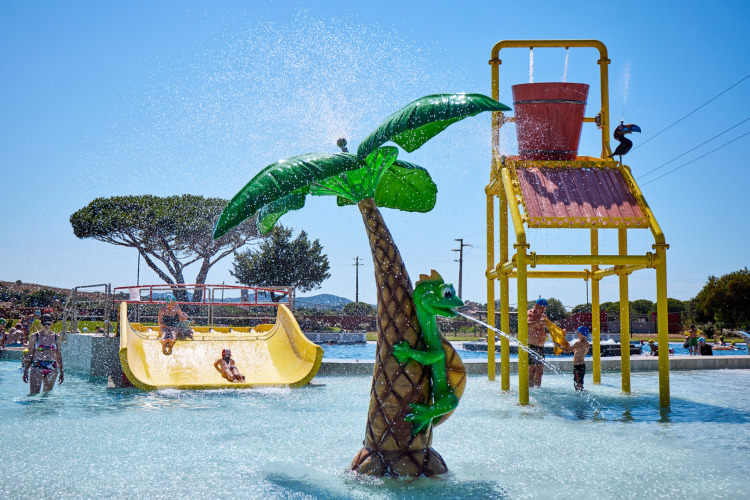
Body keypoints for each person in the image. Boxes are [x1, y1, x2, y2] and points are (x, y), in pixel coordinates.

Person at [22, 313, 63, 394]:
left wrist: (62, 371)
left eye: (48, 322)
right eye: (44, 323)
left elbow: (58, 355)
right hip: (37, 366)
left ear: (52, 322)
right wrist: (26, 370)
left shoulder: (56, 337)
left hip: (52, 367)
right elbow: (30, 354)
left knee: (46, 396)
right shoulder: (35, 336)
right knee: (33, 394)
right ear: (41, 323)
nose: (46, 325)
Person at [527, 298, 552, 388]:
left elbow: (551, 328)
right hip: (531, 346)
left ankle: (538, 389)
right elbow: (526, 325)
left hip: (541, 347)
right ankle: (530, 389)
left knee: (540, 370)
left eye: (545, 309)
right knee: (532, 369)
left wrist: (561, 332)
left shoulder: (543, 316)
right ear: (537, 306)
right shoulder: (529, 314)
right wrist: (539, 322)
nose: (544, 310)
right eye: (542, 308)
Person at [557, 326, 590, 391]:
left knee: (576, 385)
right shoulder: (587, 344)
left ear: (582, 333)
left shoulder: (578, 343)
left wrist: (558, 346)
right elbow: (576, 351)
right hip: (582, 366)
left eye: (578, 332)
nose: (577, 334)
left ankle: (580, 398)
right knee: (580, 384)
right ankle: (583, 395)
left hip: (577, 366)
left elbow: (567, 351)